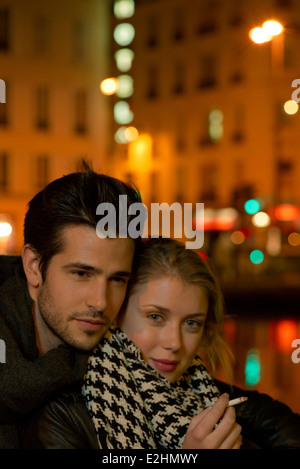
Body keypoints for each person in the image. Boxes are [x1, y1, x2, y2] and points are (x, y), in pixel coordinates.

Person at [23, 238, 300, 449]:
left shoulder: (208, 395)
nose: (175, 343)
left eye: (192, 323)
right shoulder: (62, 414)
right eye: (155, 317)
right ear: (117, 313)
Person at [0, 160, 143, 449]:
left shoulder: (124, 354)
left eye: (117, 279)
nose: (101, 302)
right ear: (34, 267)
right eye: (81, 273)